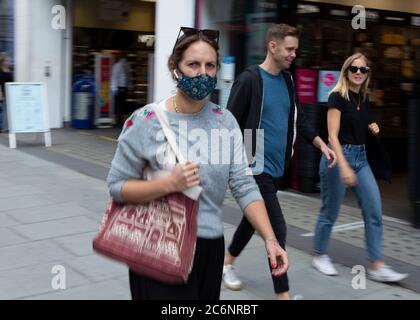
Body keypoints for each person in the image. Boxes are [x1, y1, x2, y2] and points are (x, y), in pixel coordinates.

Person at [106, 26, 289, 300]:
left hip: (209, 250)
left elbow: (243, 185)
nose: (202, 73)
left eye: (210, 65)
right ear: (175, 67)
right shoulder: (145, 120)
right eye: (193, 64)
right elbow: (117, 186)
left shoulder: (225, 122)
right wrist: (170, 183)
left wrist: (270, 239)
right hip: (158, 247)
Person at [222, 24, 337, 300]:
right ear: (272, 46)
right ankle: (282, 296)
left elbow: (301, 120)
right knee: (277, 229)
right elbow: (227, 124)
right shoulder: (250, 79)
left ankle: (226, 263)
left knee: (253, 222)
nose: (294, 54)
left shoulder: (287, 81)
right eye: (290, 49)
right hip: (253, 169)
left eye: (295, 49)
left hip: (276, 169)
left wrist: (321, 144)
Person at [312, 53, 408, 282]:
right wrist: (344, 166)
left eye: (363, 70)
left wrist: (371, 126)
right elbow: (332, 136)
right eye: (354, 69)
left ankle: (377, 265)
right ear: (346, 71)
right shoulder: (337, 97)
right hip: (337, 157)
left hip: (361, 158)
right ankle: (319, 254)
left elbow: (358, 126)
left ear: (367, 74)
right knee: (329, 211)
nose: (358, 73)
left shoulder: (364, 98)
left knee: (374, 210)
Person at [111, 52, 132, 127]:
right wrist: (129, 86)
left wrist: (114, 88)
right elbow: (129, 77)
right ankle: (120, 121)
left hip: (119, 87)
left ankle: (118, 121)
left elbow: (114, 77)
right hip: (122, 87)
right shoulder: (127, 65)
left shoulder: (117, 66)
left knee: (118, 105)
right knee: (122, 105)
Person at [0, 52, 13, 132]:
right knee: (3, 110)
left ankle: (7, 127)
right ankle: (2, 127)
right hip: (3, 92)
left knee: (7, 110)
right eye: (6, 60)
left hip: (10, 92)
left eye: (8, 60)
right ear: (3, 61)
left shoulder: (10, 69)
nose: (8, 61)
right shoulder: (0, 70)